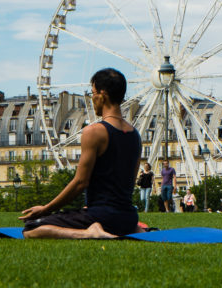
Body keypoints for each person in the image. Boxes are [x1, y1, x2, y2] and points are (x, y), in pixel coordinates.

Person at [19, 68, 142, 239]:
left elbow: (80, 182)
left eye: (93, 93)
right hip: (128, 218)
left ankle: (89, 233)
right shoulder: (135, 135)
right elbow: (129, 181)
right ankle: (132, 229)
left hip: (101, 217)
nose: (92, 99)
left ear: (102, 94)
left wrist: (46, 209)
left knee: (31, 229)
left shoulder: (94, 132)